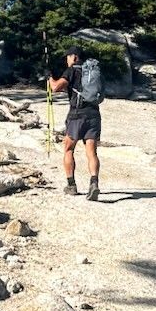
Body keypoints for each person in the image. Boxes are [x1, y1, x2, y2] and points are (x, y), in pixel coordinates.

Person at [48, 44, 101, 200]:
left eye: (68, 57)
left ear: (74, 57)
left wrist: (50, 77)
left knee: (69, 148)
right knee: (91, 151)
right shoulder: (91, 72)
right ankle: (94, 182)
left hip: (76, 115)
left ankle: (71, 185)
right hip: (94, 114)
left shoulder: (71, 71)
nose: (67, 60)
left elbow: (56, 87)